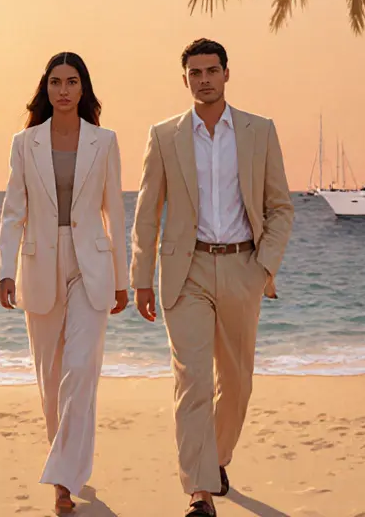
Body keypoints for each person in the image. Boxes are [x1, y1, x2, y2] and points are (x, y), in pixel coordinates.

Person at [130, 39, 294, 517]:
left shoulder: (260, 131)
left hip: (244, 266)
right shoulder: (164, 136)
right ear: (184, 79)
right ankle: (199, 492)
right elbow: (146, 212)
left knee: (238, 384)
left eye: (211, 70)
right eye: (195, 72)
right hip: (187, 271)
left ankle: (216, 458)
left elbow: (281, 207)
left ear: (226, 73)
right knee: (193, 381)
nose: (204, 79)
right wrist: (141, 278)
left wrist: (264, 266)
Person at [0, 52, 128, 514]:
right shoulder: (24, 143)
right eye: (56, 82)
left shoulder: (104, 141)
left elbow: (115, 212)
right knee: (50, 378)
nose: (64, 90)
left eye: (72, 82)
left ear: (83, 87)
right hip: (39, 262)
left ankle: (63, 479)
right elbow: (13, 211)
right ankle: (66, 466)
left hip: (92, 264)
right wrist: (4, 271)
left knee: (81, 369)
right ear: (46, 88)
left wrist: (123, 279)